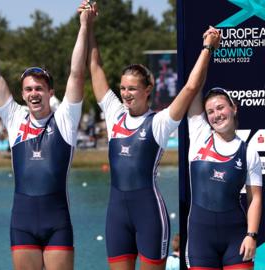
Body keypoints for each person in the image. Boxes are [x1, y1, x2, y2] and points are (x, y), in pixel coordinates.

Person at [87, 7, 222, 268]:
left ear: (148, 90)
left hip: (148, 214)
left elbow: (191, 87)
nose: (126, 93)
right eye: (123, 88)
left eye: (133, 89)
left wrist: (207, 48)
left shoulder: (159, 122)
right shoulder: (114, 114)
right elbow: (94, 67)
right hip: (116, 216)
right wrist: (89, 26)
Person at [0, 2, 93, 269]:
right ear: (22, 94)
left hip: (57, 224)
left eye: (39, 88)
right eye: (28, 89)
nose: (33, 94)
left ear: (50, 92)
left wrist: (84, 26)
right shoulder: (15, 118)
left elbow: (77, 73)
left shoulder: (64, 119)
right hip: (23, 224)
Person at [186, 85, 262, 269]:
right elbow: (192, 86)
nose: (216, 115)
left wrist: (251, 235)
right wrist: (206, 54)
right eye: (210, 111)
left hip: (236, 238)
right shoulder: (199, 137)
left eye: (220, 108)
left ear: (234, 108)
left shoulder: (248, 151)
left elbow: (255, 199)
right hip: (200, 240)